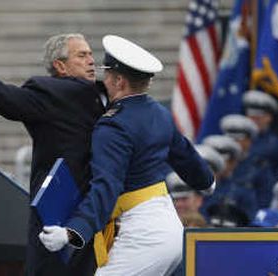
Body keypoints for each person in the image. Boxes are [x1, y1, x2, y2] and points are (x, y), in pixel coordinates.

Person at [38, 35, 215, 276]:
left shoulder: (113, 127)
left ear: (119, 81)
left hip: (144, 236)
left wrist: (72, 231)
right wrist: (207, 181)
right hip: (170, 227)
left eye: (108, 74)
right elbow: (184, 154)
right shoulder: (158, 112)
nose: (104, 79)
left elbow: (106, 187)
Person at [0, 33, 108, 276]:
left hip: (99, 208)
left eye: (91, 54)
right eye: (81, 55)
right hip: (60, 210)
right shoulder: (50, 92)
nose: (91, 60)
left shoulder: (105, 94)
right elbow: (5, 97)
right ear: (60, 66)